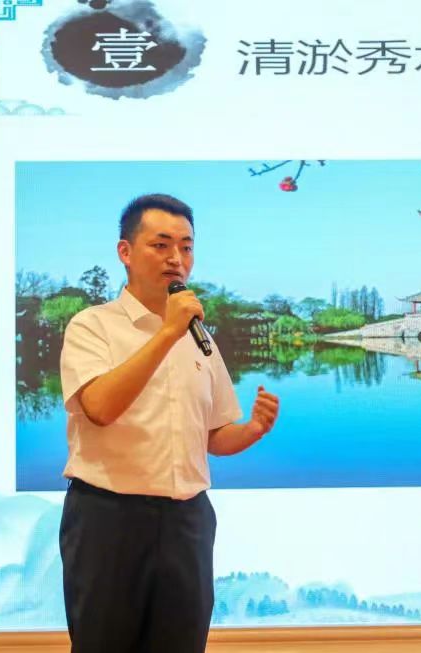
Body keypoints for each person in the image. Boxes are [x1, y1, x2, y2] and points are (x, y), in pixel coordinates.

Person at [59, 193, 279, 653]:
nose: (176, 258)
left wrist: (252, 430)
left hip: (187, 522)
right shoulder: (92, 326)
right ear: (125, 252)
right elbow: (99, 407)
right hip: (109, 520)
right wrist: (167, 333)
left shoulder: (199, 337)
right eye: (161, 245)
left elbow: (215, 436)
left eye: (186, 246)